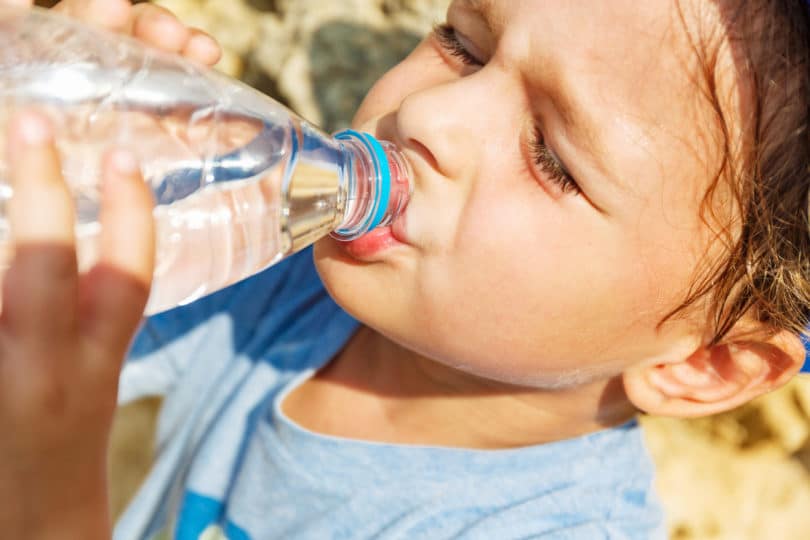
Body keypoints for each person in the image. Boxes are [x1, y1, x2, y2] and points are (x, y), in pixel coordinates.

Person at [0, 0, 807, 538]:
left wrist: (46, 498)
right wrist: (62, 147)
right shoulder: (299, 282)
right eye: (463, 44)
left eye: (552, 159)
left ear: (704, 363)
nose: (428, 113)